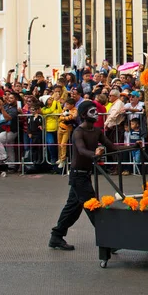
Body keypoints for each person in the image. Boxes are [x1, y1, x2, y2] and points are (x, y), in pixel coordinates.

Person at [49, 101, 118, 251]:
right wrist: (95, 154)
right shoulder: (78, 132)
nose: (96, 113)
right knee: (92, 206)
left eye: (96, 110)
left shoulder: (97, 131)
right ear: (83, 115)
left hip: (84, 175)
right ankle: (107, 241)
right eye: (92, 111)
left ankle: (56, 236)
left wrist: (135, 146)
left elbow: (112, 147)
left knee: (72, 208)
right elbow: (81, 150)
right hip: (77, 176)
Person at [0, 93, 19, 168]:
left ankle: (3, 157)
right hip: (5, 130)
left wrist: (2, 108)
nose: (9, 99)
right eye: (9, 98)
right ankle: (11, 166)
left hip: (11, 131)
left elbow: (8, 118)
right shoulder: (7, 106)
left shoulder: (15, 109)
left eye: (11, 98)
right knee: (10, 147)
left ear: (16, 100)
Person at [56, 98, 78, 168]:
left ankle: (63, 160)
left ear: (72, 105)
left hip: (67, 129)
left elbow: (71, 117)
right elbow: (61, 117)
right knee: (59, 143)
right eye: (66, 104)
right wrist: (65, 117)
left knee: (63, 144)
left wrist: (66, 117)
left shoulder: (75, 110)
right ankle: (59, 158)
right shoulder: (65, 108)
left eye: (68, 104)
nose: (66, 105)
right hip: (60, 127)